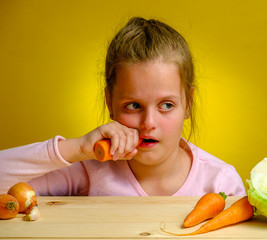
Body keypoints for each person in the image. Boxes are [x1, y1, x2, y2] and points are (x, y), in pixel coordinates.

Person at [0, 17, 245, 196]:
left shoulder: (220, 182)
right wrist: (78, 148)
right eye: (134, 105)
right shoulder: (90, 171)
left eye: (167, 105)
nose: (149, 122)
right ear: (110, 102)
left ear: (188, 104)